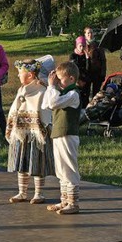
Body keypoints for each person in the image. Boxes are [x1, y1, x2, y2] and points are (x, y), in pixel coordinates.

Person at [6, 59, 53, 205]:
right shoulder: (22, 90)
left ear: (31, 75)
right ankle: (22, 192)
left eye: (21, 73)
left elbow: (44, 111)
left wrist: (43, 128)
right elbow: (15, 109)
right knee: (22, 162)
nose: (18, 76)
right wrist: (11, 126)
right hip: (21, 133)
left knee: (37, 163)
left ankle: (39, 193)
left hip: (36, 134)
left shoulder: (41, 90)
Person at [42, 61, 81, 215]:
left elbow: (52, 102)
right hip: (59, 134)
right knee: (61, 169)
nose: (58, 82)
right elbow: (46, 103)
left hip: (68, 134)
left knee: (69, 168)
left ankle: (73, 203)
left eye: (61, 79)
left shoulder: (73, 94)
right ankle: (65, 200)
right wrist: (51, 87)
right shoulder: (62, 92)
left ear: (71, 79)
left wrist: (52, 87)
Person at [84, 27, 107, 98]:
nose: (90, 34)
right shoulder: (82, 44)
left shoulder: (98, 45)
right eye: (88, 33)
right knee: (86, 93)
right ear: (85, 34)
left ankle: (94, 107)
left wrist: (103, 73)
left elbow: (103, 60)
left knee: (96, 93)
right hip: (86, 73)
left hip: (97, 72)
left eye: (91, 32)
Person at [69, 36, 91, 108]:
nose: (82, 48)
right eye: (80, 46)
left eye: (83, 46)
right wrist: (79, 80)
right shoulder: (73, 56)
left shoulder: (86, 56)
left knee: (86, 98)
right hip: (77, 80)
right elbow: (74, 69)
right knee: (78, 97)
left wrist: (88, 58)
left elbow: (88, 69)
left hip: (86, 80)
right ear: (77, 45)